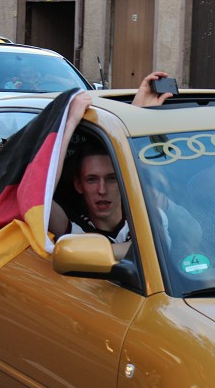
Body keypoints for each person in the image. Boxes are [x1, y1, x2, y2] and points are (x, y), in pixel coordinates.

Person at [47, 72, 172, 257]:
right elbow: (40, 193)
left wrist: (134, 116)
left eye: (112, 178)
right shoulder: (74, 230)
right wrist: (71, 122)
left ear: (124, 181)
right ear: (78, 184)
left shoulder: (150, 217)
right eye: (92, 180)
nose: (102, 189)